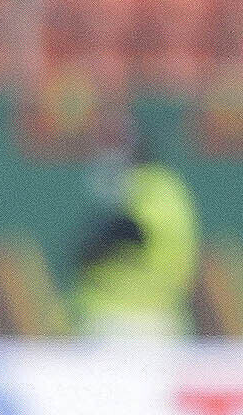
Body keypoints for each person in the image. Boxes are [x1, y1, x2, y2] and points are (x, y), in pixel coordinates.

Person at [68, 131, 195, 337]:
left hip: (131, 325)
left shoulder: (151, 187)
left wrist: (92, 246)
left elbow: (129, 230)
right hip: (142, 320)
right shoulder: (162, 186)